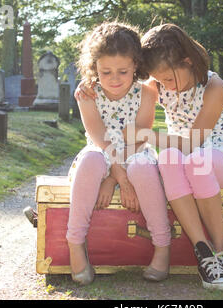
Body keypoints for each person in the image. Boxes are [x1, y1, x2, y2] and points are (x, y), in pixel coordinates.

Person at [76, 23, 223, 291]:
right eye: (160, 80)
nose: (165, 86)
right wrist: (90, 81)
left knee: (193, 160)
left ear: (187, 62)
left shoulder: (214, 87)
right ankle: (203, 253)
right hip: (178, 157)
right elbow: (121, 78)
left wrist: (147, 135)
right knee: (167, 158)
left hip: (215, 157)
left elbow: (194, 143)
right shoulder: (157, 82)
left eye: (168, 79)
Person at [68, 21, 171, 286]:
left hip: (136, 151)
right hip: (102, 151)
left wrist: (115, 179)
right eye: (106, 72)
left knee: (141, 167)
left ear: (136, 65)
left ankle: (162, 245)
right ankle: (75, 242)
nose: (114, 79)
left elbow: (140, 138)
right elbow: (99, 139)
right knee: (91, 160)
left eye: (123, 71)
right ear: (95, 68)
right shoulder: (88, 93)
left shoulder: (146, 92)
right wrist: (118, 177)